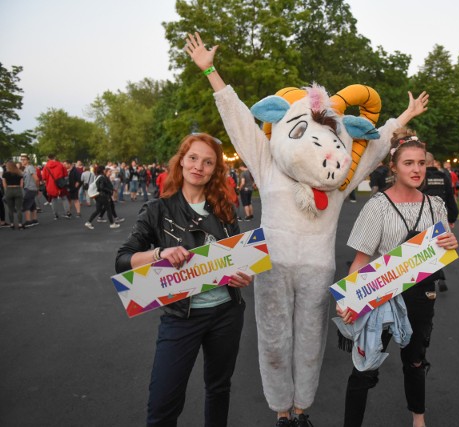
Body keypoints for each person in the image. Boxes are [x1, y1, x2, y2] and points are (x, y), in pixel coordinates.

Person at [185, 31, 430, 427]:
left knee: (310, 342)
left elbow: (375, 149)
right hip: (273, 267)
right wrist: (211, 71)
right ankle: (282, 410)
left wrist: (403, 118)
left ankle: (301, 409)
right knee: (274, 340)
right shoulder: (268, 167)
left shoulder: (338, 186)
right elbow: (241, 124)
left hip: (316, 270)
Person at [115, 133, 253, 427]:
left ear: (216, 170)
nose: (198, 167)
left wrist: (243, 275)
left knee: (218, 388)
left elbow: (239, 260)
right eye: (193, 158)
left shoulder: (225, 210)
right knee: (163, 403)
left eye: (208, 162)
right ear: (181, 161)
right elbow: (123, 258)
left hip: (227, 314)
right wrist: (160, 253)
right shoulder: (157, 210)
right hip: (181, 317)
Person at [336, 130, 458, 427]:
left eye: (421, 163)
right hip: (381, 298)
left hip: (421, 295)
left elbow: (440, 250)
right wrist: (349, 300)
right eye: (408, 163)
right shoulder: (377, 206)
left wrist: (451, 243)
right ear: (394, 167)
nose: (416, 169)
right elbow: (361, 260)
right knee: (364, 368)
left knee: (415, 361)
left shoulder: (435, 206)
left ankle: (419, 420)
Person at [421, 151, 458, 292]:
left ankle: (431, 279)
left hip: (423, 217)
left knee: (424, 251)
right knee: (437, 247)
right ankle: (439, 276)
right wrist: (452, 217)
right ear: (433, 162)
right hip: (440, 219)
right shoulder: (444, 177)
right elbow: (450, 197)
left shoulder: (421, 177)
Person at [42, 154, 70, 219]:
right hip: (60, 184)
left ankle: (55, 215)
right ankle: (67, 213)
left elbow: (44, 178)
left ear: (48, 158)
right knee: (64, 198)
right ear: (55, 157)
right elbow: (65, 175)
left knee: (53, 200)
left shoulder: (46, 166)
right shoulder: (60, 165)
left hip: (51, 185)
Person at [2, 160, 25, 230]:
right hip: (18, 189)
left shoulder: (5, 174)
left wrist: (6, 191)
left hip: (9, 190)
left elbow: (4, 184)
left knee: (10, 209)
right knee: (19, 209)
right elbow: (21, 184)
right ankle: (20, 224)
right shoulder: (19, 173)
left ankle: (12, 224)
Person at [20, 154, 40, 227]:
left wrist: (37, 188)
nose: (22, 161)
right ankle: (35, 220)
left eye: (24, 159)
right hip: (29, 188)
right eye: (21, 159)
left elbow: (36, 179)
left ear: (28, 160)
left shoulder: (30, 168)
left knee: (26, 204)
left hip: (30, 188)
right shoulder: (25, 168)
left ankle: (28, 221)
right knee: (32, 204)